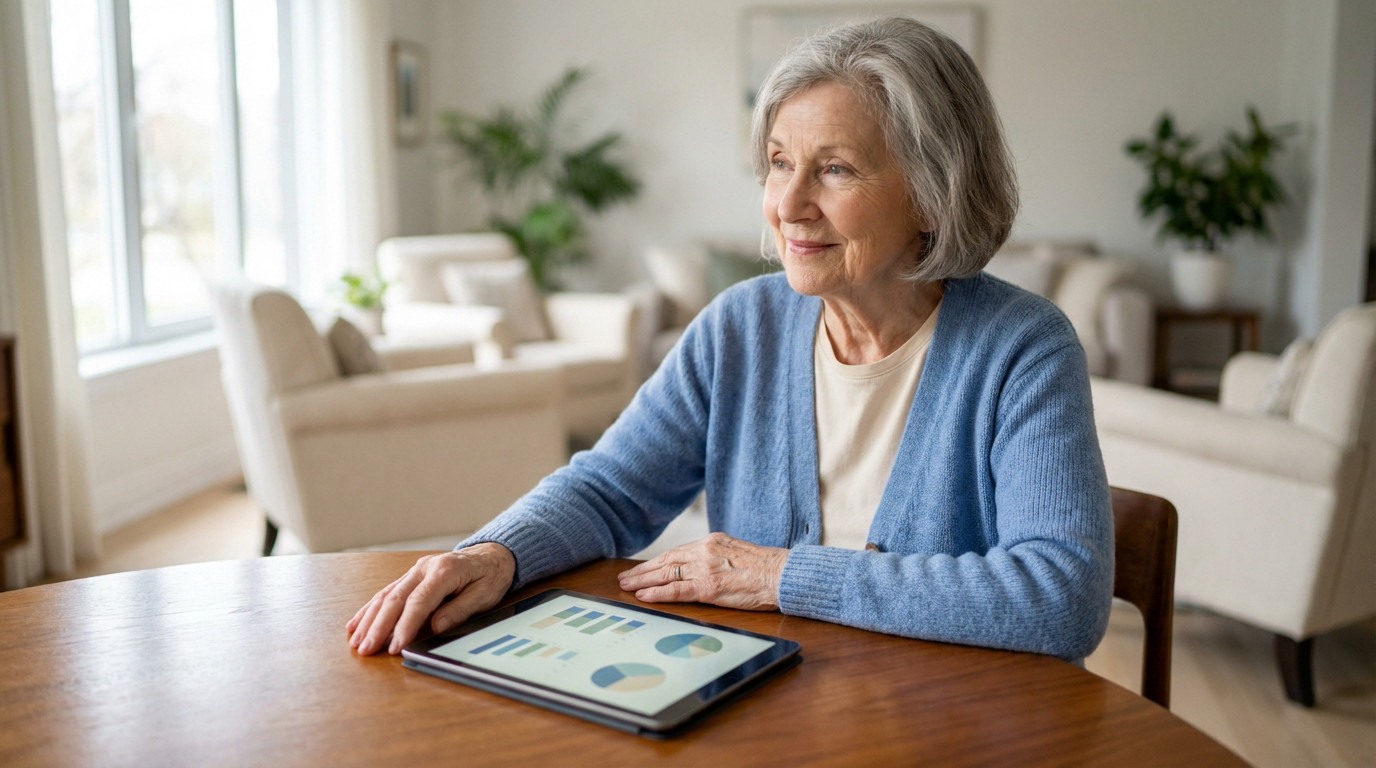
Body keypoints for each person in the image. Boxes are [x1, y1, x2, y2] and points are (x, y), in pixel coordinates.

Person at [348, 16, 1113, 662]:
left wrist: (783, 577)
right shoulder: (740, 327)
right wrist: (495, 553)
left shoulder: (1024, 348)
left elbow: (1061, 598)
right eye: (779, 163)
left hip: (951, 724)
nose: (788, 204)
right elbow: (612, 490)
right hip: (762, 711)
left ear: (932, 193)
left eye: (835, 169)